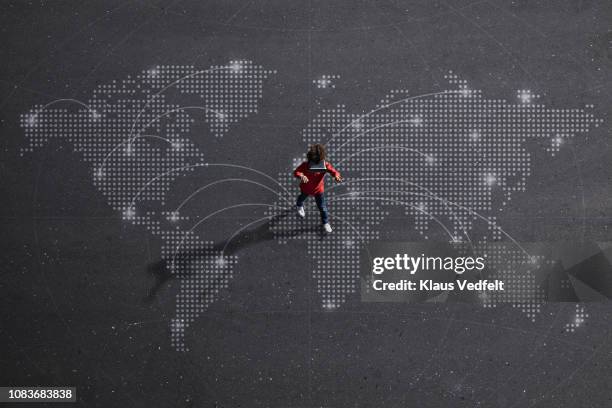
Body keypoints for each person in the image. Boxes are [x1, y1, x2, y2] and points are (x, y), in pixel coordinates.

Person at [293, 144, 342, 233]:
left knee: (322, 207)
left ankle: (325, 222)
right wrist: (301, 175)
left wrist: (336, 176)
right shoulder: (305, 165)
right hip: (306, 188)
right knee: (301, 198)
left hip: (318, 190)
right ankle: (299, 206)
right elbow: (296, 172)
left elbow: (334, 171)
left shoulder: (325, 165)